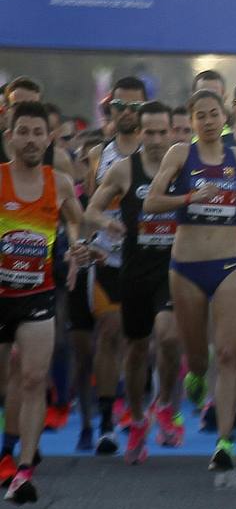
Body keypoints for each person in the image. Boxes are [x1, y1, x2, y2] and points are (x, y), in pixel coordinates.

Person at [143, 90, 236, 472]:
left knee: (229, 353)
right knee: (195, 357)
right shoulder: (180, 155)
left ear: (224, 117)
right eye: (201, 116)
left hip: (229, 264)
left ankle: (224, 440)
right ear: (191, 121)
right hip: (187, 266)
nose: (208, 122)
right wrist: (191, 197)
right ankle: (193, 376)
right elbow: (152, 202)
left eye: (214, 115)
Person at [1, 102, 93, 504]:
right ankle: (8, 447)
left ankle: (23, 470)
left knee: (33, 379)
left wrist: (78, 247)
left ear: (49, 139)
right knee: (5, 384)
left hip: (37, 295)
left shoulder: (57, 182)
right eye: (23, 131)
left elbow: (75, 220)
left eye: (39, 132)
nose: (31, 139)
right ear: (10, 137)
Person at [83, 101, 178, 463]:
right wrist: (106, 222)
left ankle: (166, 403)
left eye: (161, 132)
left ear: (172, 132)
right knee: (137, 349)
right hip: (135, 270)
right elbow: (91, 209)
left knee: (169, 337)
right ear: (139, 133)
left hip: (171, 269)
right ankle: (138, 418)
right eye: (148, 132)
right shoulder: (125, 170)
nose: (155, 139)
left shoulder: (181, 168)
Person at [78, 76, 150, 455]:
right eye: (118, 106)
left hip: (146, 259)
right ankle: (107, 421)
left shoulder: (160, 153)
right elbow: (86, 211)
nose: (125, 113)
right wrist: (90, 238)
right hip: (108, 257)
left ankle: (138, 408)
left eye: (134, 107)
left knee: (141, 342)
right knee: (108, 332)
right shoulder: (97, 155)